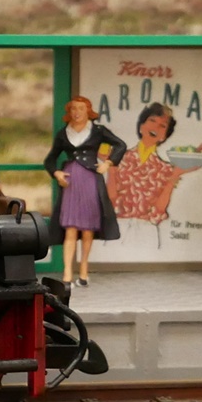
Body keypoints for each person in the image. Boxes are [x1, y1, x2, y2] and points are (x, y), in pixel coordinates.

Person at [43, 95, 126, 287]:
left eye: (81, 108)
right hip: (71, 181)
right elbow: (50, 159)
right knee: (70, 228)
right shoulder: (64, 134)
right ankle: (67, 273)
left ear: (88, 111)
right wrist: (57, 173)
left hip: (90, 180)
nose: (77, 112)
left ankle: (83, 269)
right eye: (73, 109)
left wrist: (108, 163)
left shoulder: (97, 131)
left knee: (88, 228)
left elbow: (120, 145)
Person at [107, 103, 202, 225]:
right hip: (117, 225)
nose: (156, 127)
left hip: (147, 229)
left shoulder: (166, 169)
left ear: (164, 136)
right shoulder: (118, 158)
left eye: (162, 126)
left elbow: (159, 211)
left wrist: (174, 176)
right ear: (141, 126)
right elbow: (110, 201)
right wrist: (111, 166)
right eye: (152, 121)